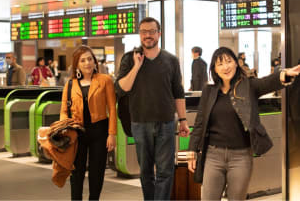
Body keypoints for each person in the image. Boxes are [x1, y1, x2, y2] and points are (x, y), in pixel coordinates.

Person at [187, 47, 300, 200]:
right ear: (214, 68)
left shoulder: (249, 86)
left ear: (236, 63)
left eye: (229, 61)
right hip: (213, 156)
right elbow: (200, 123)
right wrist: (192, 150)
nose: (225, 67)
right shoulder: (209, 90)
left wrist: (284, 74)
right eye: (220, 64)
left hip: (240, 157)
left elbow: (268, 82)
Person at [115, 17, 190, 200]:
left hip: (165, 122)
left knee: (165, 171)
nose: (148, 35)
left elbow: (178, 92)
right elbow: (122, 88)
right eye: (144, 32)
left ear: (159, 34)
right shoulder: (129, 59)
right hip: (140, 122)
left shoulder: (171, 60)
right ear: (140, 34)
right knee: (146, 172)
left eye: (152, 31)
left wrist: (183, 120)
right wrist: (137, 66)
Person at [60, 46, 117, 200]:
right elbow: (64, 110)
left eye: (90, 59)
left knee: (97, 172)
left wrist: (112, 134)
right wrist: (65, 126)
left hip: (100, 130)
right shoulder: (70, 84)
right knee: (76, 172)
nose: (87, 63)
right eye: (83, 60)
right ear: (77, 64)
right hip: (76, 132)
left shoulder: (105, 80)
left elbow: (112, 108)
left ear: (94, 61)